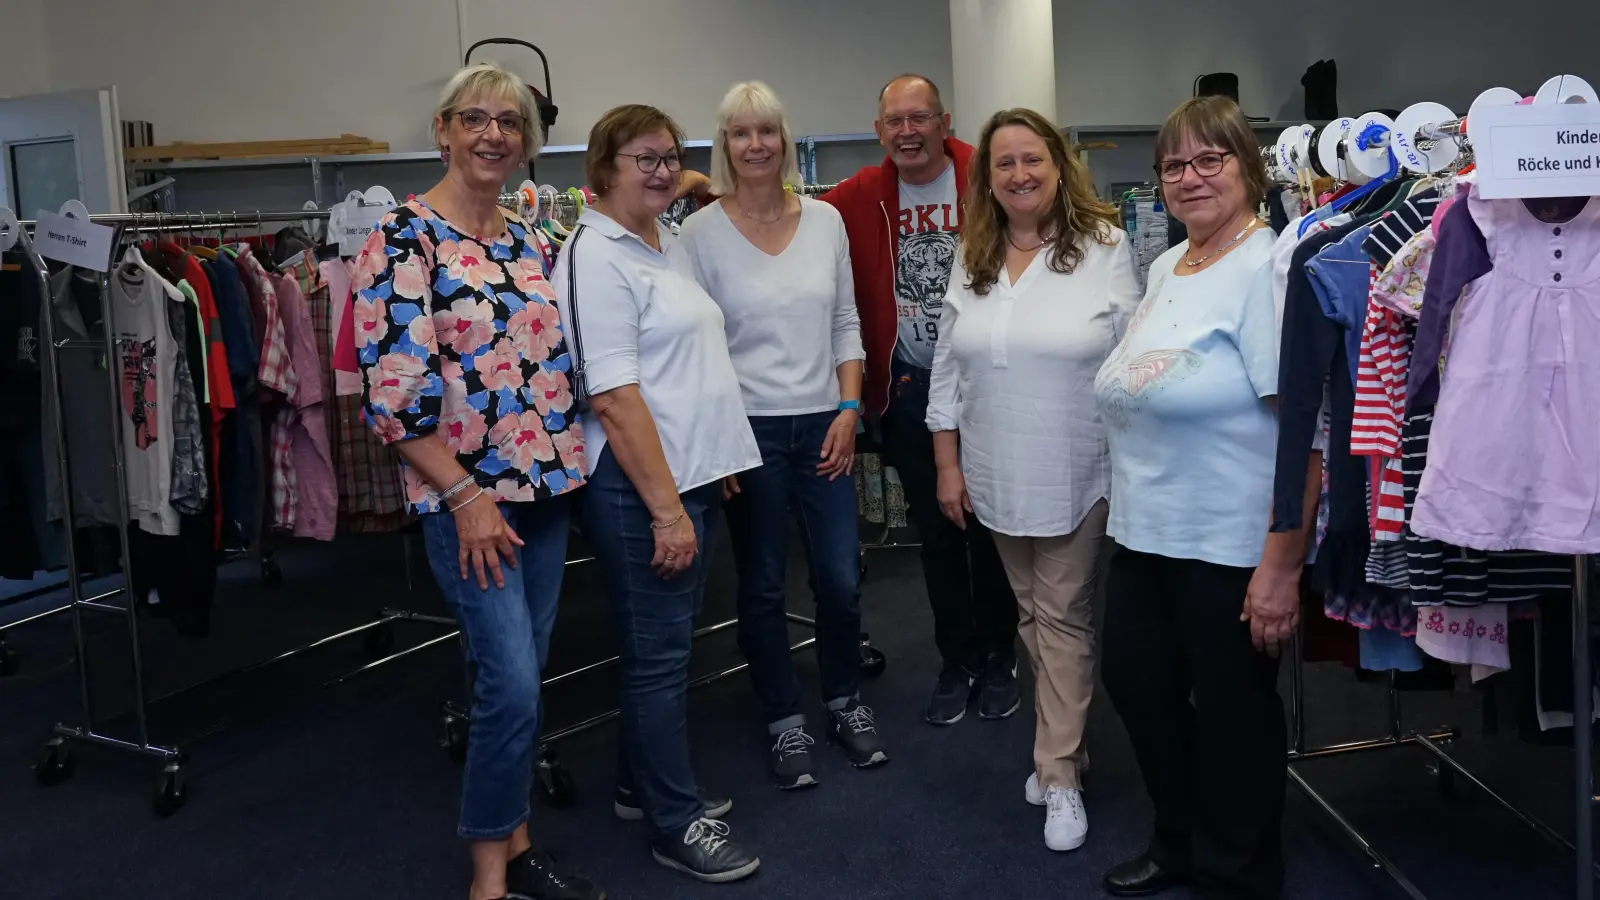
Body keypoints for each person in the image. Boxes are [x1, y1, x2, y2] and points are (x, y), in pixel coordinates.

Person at [354, 62, 603, 900]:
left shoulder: (531, 240)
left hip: (547, 495)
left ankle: (520, 843)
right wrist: (464, 498)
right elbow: (393, 396)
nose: (493, 133)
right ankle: (490, 880)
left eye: (510, 121)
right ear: (443, 128)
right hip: (470, 501)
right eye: (475, 118)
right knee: (512, 683)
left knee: (519, 679)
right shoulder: (403, 237)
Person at [1093, 96, 1312, 900]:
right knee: (1139, 689)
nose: (1190, 178)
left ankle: (1239, 871)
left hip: (1229, 545)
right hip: (1146, 534)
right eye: (1175, 165)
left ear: (1248, 170)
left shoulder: (1270, 267)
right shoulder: (1164, 265)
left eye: (1210, 159)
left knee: (1233, 719)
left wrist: (1281, 566)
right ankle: (1179, 839)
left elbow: (1307, 435)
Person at [551, 103, 764, 884]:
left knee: (665, 649)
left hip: (689, 471)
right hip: (638, 488)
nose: (661, 169)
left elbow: (687, 367)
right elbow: (611, 394)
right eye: (643, 157)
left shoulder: (661, 239)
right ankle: (677, 823)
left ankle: (640, 787)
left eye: (670, 156)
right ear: (601, 169)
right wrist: (668, 507)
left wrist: (715, 456)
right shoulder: (594, 254)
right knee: (657, 657)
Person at [927, 107, 1140, 852]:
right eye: (1003, 163)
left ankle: (1057, 774)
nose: (1019, 174)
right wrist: (948, 464)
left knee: (1064, 616)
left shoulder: (1106, 248)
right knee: (1030, 616)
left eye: (1032, 160)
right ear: (987, 178)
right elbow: (947, 367)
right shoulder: (973, 253)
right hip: (992, 472)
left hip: (1076, 466)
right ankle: (1067, 745)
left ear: (1059, 166)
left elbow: (1133, 365)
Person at [679, 81, 888, 789]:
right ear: (724, 144)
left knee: (838, 579)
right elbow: (695, 345)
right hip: (750, 433)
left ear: (784, 139)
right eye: (741, 133)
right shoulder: (697, 234)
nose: (756, 145)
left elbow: (846, 324)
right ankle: (782, 719)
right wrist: (719, 436)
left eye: (767, 130)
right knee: (763, 585)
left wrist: (851, 411)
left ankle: (843, 700)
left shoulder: (826, 221)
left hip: (827, 424)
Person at [822, 73, 1021, 726]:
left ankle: (1001, 655)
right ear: (879, 131)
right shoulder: (860, 196)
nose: (907, 132)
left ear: (945, 121)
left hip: (987, 385)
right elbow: (787, 221)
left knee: (991, 528)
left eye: (920, 118)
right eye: (894, 122)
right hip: (909, 388)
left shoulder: (985, 173)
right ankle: (956, 657)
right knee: (937, 532)